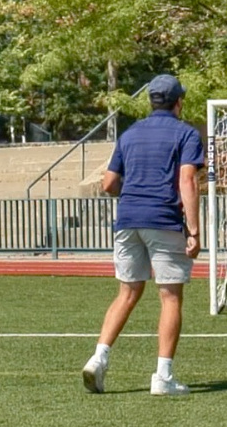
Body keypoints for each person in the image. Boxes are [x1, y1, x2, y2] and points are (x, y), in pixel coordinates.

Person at [81, 74, 203, 396]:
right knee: (170, 296)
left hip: (128, 219)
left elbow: (109, 184)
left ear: (151, 101)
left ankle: (98, 358)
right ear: (179, 102)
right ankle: (163, 376)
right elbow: (187, 181)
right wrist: (194, 231)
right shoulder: (187, 133)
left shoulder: (130, 133)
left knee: (127, 292)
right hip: (163, 219)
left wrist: (135, 191)